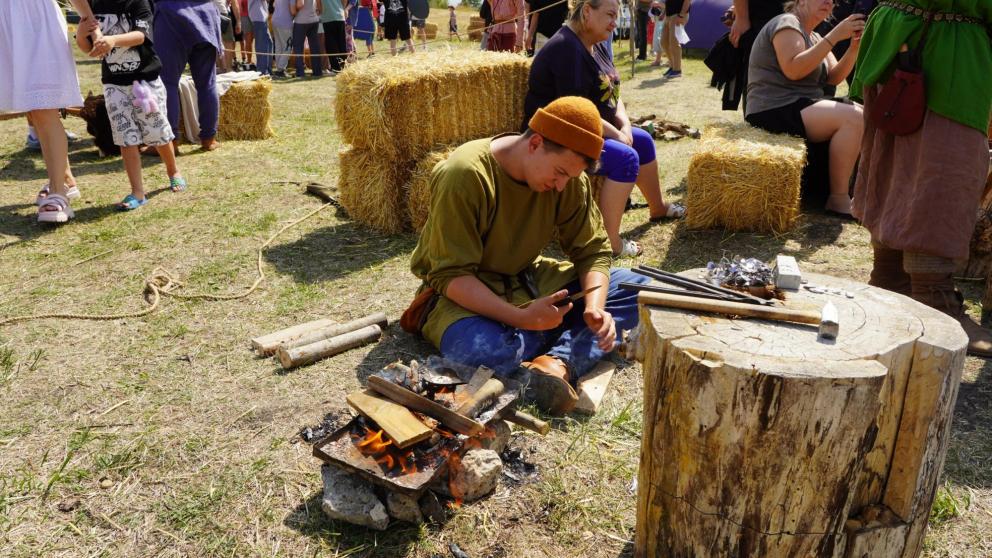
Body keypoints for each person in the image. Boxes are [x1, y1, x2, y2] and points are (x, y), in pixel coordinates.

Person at [407, 96, 650, 415]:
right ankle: (555, 339)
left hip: (525, 279)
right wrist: (523, 317)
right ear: (535, 143)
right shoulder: (464, 174)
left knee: (636, 287)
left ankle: (556, 362)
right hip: (463, 296)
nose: (562, 186)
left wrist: (593, 308)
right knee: (477, 353)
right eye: (560, 172)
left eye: (570, 177)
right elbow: (450, 275)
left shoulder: (568, 179)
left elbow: (593, 250)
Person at [850, 0, 992, 356]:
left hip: (917, 35)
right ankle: (928, 294)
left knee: (907, 165)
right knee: (941, 171)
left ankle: (892, 280)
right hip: (940, 43)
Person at [524, 0, 685, 258]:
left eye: (616, 15)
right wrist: (617, 135)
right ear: (587, 11)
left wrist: (624, 124)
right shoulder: (567, 49)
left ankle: (657, 207)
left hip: (586, 127)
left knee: (642, 140)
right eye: (610, 15)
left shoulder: (595, 45)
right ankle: (610, 242)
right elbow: (576, 113)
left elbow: (614, 93)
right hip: (560, 137)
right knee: (626, 158)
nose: (614, 22)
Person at [743, 1, 865, 218]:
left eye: (832, 0)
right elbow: (794, 70)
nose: (829, 2)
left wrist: (854, 48)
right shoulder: (786, 23)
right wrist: (834, 36)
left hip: (800, 106)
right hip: (772, 107)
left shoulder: (815, 36)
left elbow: (834, 77)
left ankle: (848, 190)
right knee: (854, 117)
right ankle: (838, 198)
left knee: (861, 112)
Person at [77, 0, 188, 211]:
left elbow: (141, 35)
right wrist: (83, 33)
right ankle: (137, 191)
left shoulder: (138, 2)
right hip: (113, 85)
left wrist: (112, 40)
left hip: (145, 83)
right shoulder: (94, 5)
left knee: (158, 132)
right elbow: (87, 47)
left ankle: (173, 171)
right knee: (125, 137)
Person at [1, 0, 97, 223]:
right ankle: (66, 180)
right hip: (7, 21)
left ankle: (58, 192)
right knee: (34, 110)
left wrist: (89, 19)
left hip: (35, 20)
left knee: (43, 109)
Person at [155, 0, 223, 151]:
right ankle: (209, 138)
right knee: (207, 84)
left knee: (168, 83)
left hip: (171, 15)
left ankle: (170, 141)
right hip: (205, 15)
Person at [291, 0, 324, 76]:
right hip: (314, 19)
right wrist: (319, 11)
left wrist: (293, 11)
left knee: (298, 46)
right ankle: (317, 71)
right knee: (314, 46)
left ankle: (300, 72)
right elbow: (319, 2)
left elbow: (300, 4)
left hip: (301, 20)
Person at [659, 0, 687, 77]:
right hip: (668, 16)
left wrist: (681, 15)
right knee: (663, 42)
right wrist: (663, 13)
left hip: (678, 15)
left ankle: (677, 70)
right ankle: (672, 66)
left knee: (674, 42)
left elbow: (687, 1)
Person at [247, 0, 274, 74]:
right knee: (262, 45)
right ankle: (263, 71)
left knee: (268, 43)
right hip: (258, 18)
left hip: (261, 18)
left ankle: (267, 70)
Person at [321, 0, 348, 72]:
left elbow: (318, 3)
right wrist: (342, 9)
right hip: (340, 16)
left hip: (327, 18)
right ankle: (343, 65)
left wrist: (321, 12)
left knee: (331, 44)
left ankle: (336, 67)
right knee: (341, 43)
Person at [238, 0, 254, 68]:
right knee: (248, 40)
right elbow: (240, 6)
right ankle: (249, 60)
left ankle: (249, 60)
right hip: (245, 17)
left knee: (250, 40)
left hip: (252, 17)